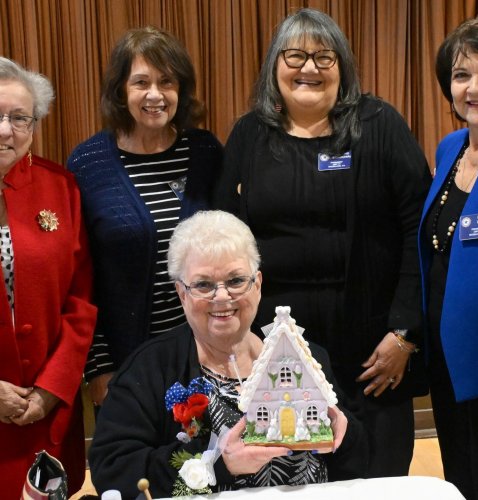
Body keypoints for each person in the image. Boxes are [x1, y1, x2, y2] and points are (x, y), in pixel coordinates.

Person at [214, 8, 431, 477]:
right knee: (288, 477)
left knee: (378, 476)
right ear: (275, 65)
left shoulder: (380, 125)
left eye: (323, 57)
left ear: (343, 67)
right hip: (276, 358)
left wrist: (405, 334)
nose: (308, 68)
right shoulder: (248, 136)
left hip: (374, 354)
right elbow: (223, 237)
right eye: (295, 55)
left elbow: (420, 228)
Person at [89, 210, 368, 499]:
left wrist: (341, 435)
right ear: (182, 293)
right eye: (203, 284)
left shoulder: (303, 358)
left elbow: (358, 461)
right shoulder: (149, 370)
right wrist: (217, 464)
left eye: (236, 280)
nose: (221, 297)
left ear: (258, 284)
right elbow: (112, 472)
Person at [67, 26, 223, 407]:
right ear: (121, 89)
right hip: (125, 365)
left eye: (167, 82)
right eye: (141, 82)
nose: (155, 95)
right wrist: (99, 366)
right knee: (132, 465)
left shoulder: (205, 152)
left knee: (207, 463)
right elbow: (79, 276)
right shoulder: (88, 164)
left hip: (205, 358)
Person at [0, 57, 97, 498]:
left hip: (47, 411)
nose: (6, 131)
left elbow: (81, 301)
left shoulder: (62, 188)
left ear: (34, 126)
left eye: (19, 118)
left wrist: (54, 387)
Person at [419, 15, 478, 499]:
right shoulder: (450, 149)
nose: (475, 86)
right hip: (450, 373)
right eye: (461, 74)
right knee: (462, 486)